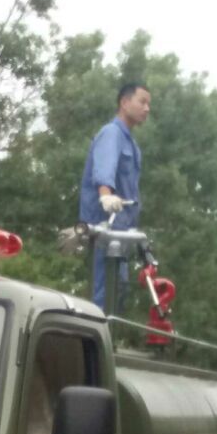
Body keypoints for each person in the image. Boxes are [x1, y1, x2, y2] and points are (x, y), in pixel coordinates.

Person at [77, 82, 150, 312]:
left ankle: (106, 337)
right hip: (105, 228)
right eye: (142, 102)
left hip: (122, 231)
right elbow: (104, 169)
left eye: (149, 104)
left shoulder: (132, 144)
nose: (147, 108)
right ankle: (97, 341)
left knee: (118, 289)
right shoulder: (112, 133)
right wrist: (106, 197)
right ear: (125, 102)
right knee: (105, 290)